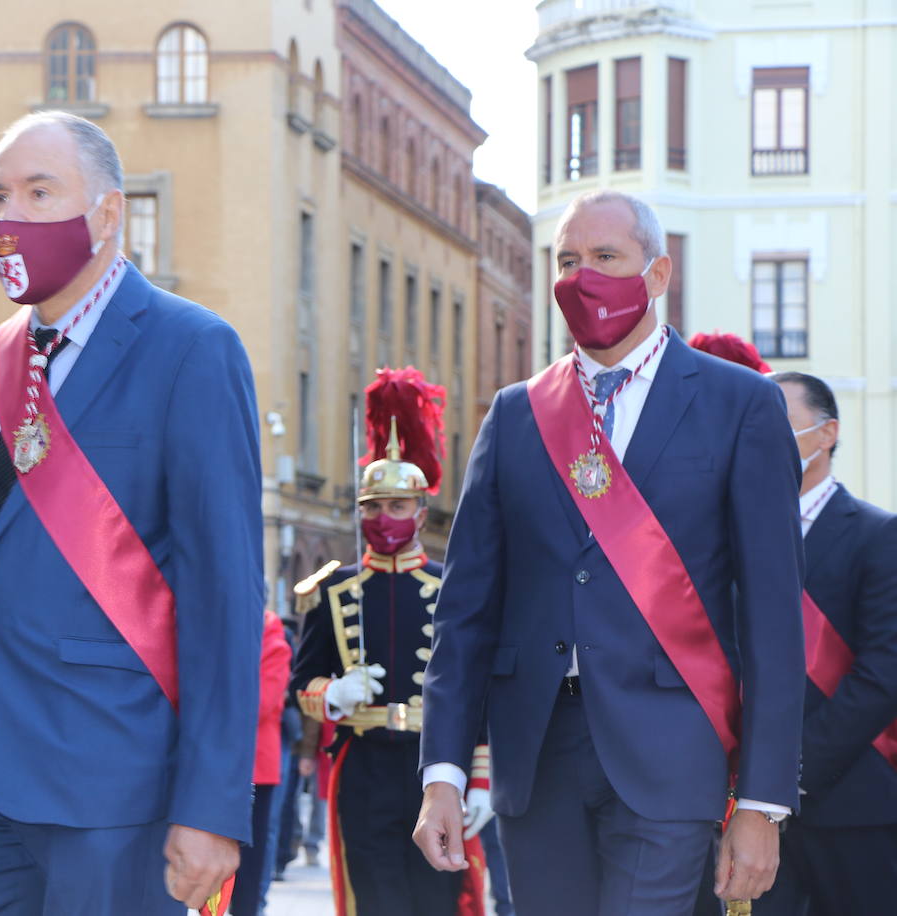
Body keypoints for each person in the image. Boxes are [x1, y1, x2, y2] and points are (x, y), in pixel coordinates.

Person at [0, 111, 264, 916]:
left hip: (113, 788)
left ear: (107, 213)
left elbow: (224, 597)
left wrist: (212, 805)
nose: (10, 219)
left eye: (40, 193)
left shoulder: (192, 348)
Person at [413, 189, 807, 915]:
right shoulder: (517, 414)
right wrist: (442, 771)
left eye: (604, 257)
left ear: (656, 275)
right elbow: (465, 611)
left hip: (673, 753)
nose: (581, 275)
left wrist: (762, 799)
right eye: (567, 260)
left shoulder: (739, 404)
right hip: (535, 755)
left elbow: (775, 619)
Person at [292, 368, 490, 916]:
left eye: (397, 507)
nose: (384, 519)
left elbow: (478, 689)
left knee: (437, 899)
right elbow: (301, 681)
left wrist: (480, 778)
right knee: (374, 897)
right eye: (372, 508)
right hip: (365, 763)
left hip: (435, 763)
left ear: (420, 514)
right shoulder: (336, 588)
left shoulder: (450, 585)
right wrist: (332, 694)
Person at [751, 373, 897, 915]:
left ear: (826, 432)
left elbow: (884, 673)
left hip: (851, 802)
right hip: (747, 811)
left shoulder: (878, 535)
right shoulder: (734, 538)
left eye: (780, 428)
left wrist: (787, 774)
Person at [230, 609, 291, 916]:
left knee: (249, 868)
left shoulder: (267, 625)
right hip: (221, 758)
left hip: (255, 765)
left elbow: (264, 700)